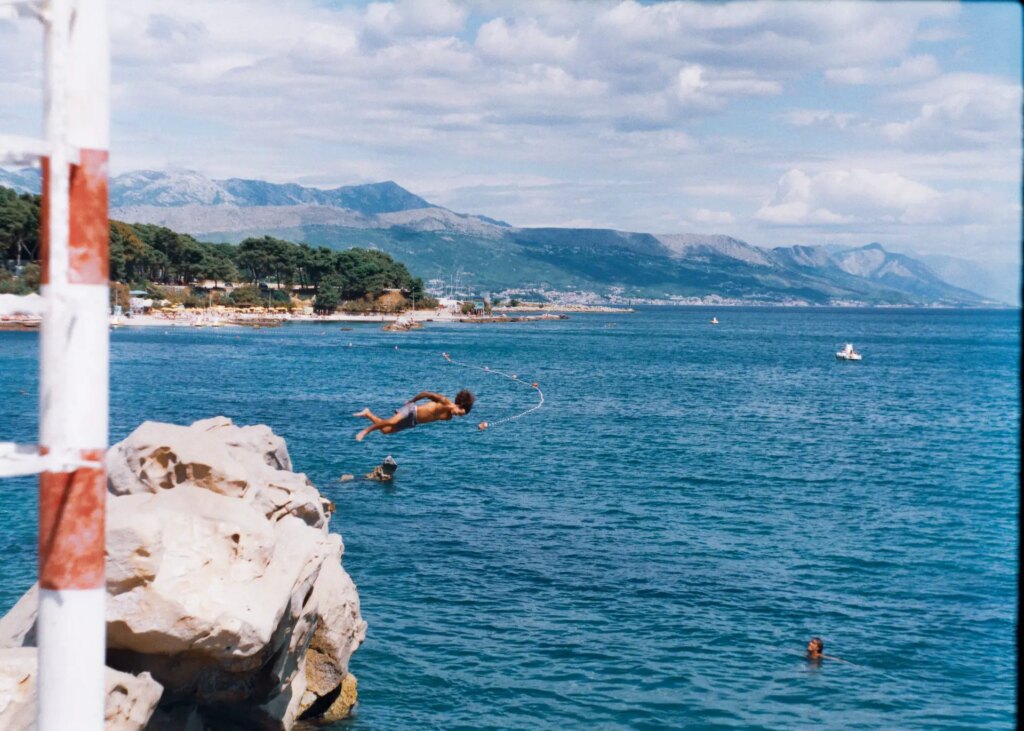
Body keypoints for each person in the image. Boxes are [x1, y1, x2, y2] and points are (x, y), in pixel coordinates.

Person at [354, 389, 475, 441]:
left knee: (386, 431)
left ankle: (368, 413)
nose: (457, 416)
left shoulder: (448, 417)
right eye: (459, 413)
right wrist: (412, 401)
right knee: (391, 422)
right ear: (459, 405)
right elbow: (425, 393)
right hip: (412, 410)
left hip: (413, 422)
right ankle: (366, 431)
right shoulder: (444, 401)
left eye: (460, 416)